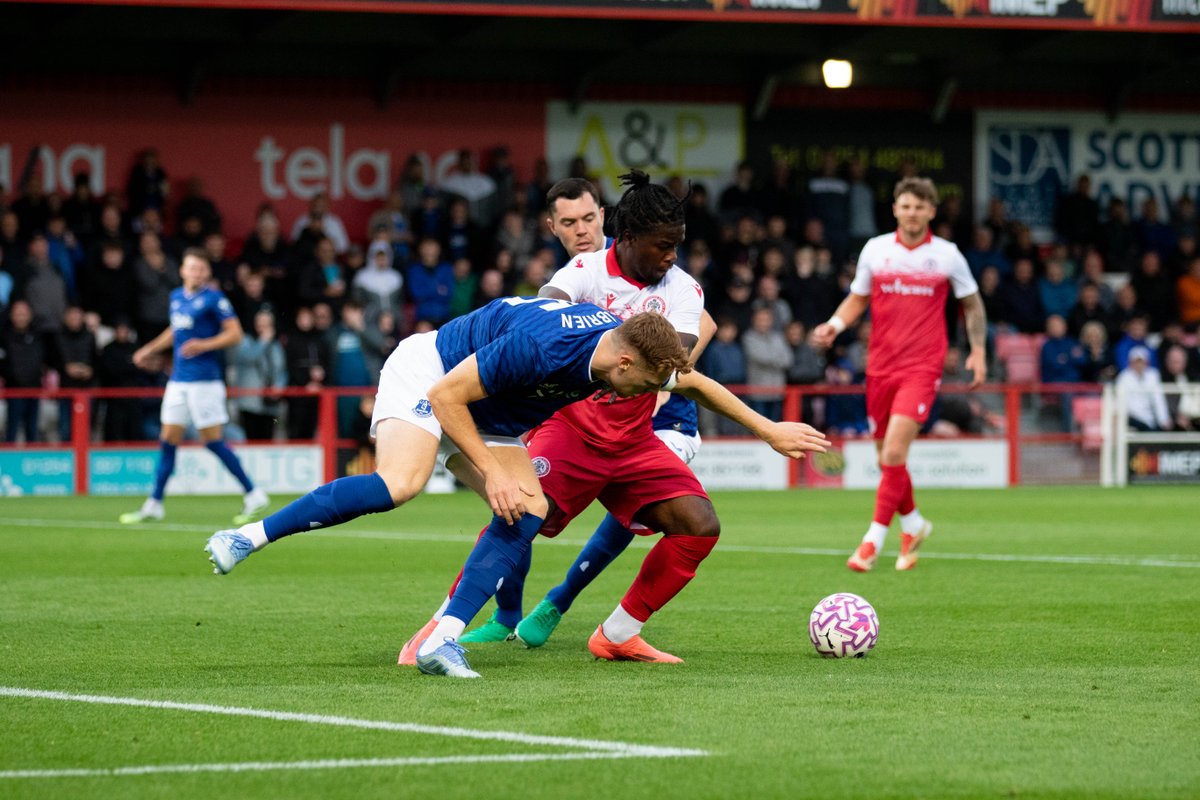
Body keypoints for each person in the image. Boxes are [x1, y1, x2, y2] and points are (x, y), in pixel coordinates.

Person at [400, 171, 827, 675]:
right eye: (662, 246)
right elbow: (542, 316)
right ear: (627, 238)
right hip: (572, 429)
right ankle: (439, 629)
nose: (671, 256)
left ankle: (619, 633)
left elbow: (677, 372)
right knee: (521, 516)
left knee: (698, 526)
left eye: (676, 245)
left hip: (636, 437)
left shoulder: (684, 290)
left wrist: (769, 429)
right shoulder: (582, 272)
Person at [204, 297, 692, 677]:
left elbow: (694, 385)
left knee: (528, 510)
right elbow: (445, 396)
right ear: (626, 362)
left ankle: (442, 641)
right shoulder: (542, 348)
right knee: (400, 484)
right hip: (432, 375)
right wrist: (492, 471)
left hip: (488, 410)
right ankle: (247, 536)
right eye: (647, 385)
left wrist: (768, 428)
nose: (647, 396)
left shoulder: (618, 348)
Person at [812, 177, 987, 572]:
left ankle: (871, 542)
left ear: (931, 211)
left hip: (922, 367)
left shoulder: (947, 255)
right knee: (888, 460)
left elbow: (973, 306)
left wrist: (977, 350)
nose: (912, 213)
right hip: (879, 368)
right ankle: (913, 523)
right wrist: (834, 326)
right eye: (905, 206)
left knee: (893, 453)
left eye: (919, 207)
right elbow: (858, 298)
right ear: (895, 209)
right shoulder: (876, 250)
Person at [119, 249, 270, 525]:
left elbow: (235, 334)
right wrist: (148, 349)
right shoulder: (176, 297)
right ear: (183, 270)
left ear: (207, 272)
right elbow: (175, 331)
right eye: (192, 268)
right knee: (167, 440)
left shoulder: (214, 299)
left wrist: (204, 344)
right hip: (178, 380)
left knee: (212, 441)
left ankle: (253, 493)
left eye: (202, 268)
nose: (197, 273)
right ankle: (155, 503)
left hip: (205, 382)